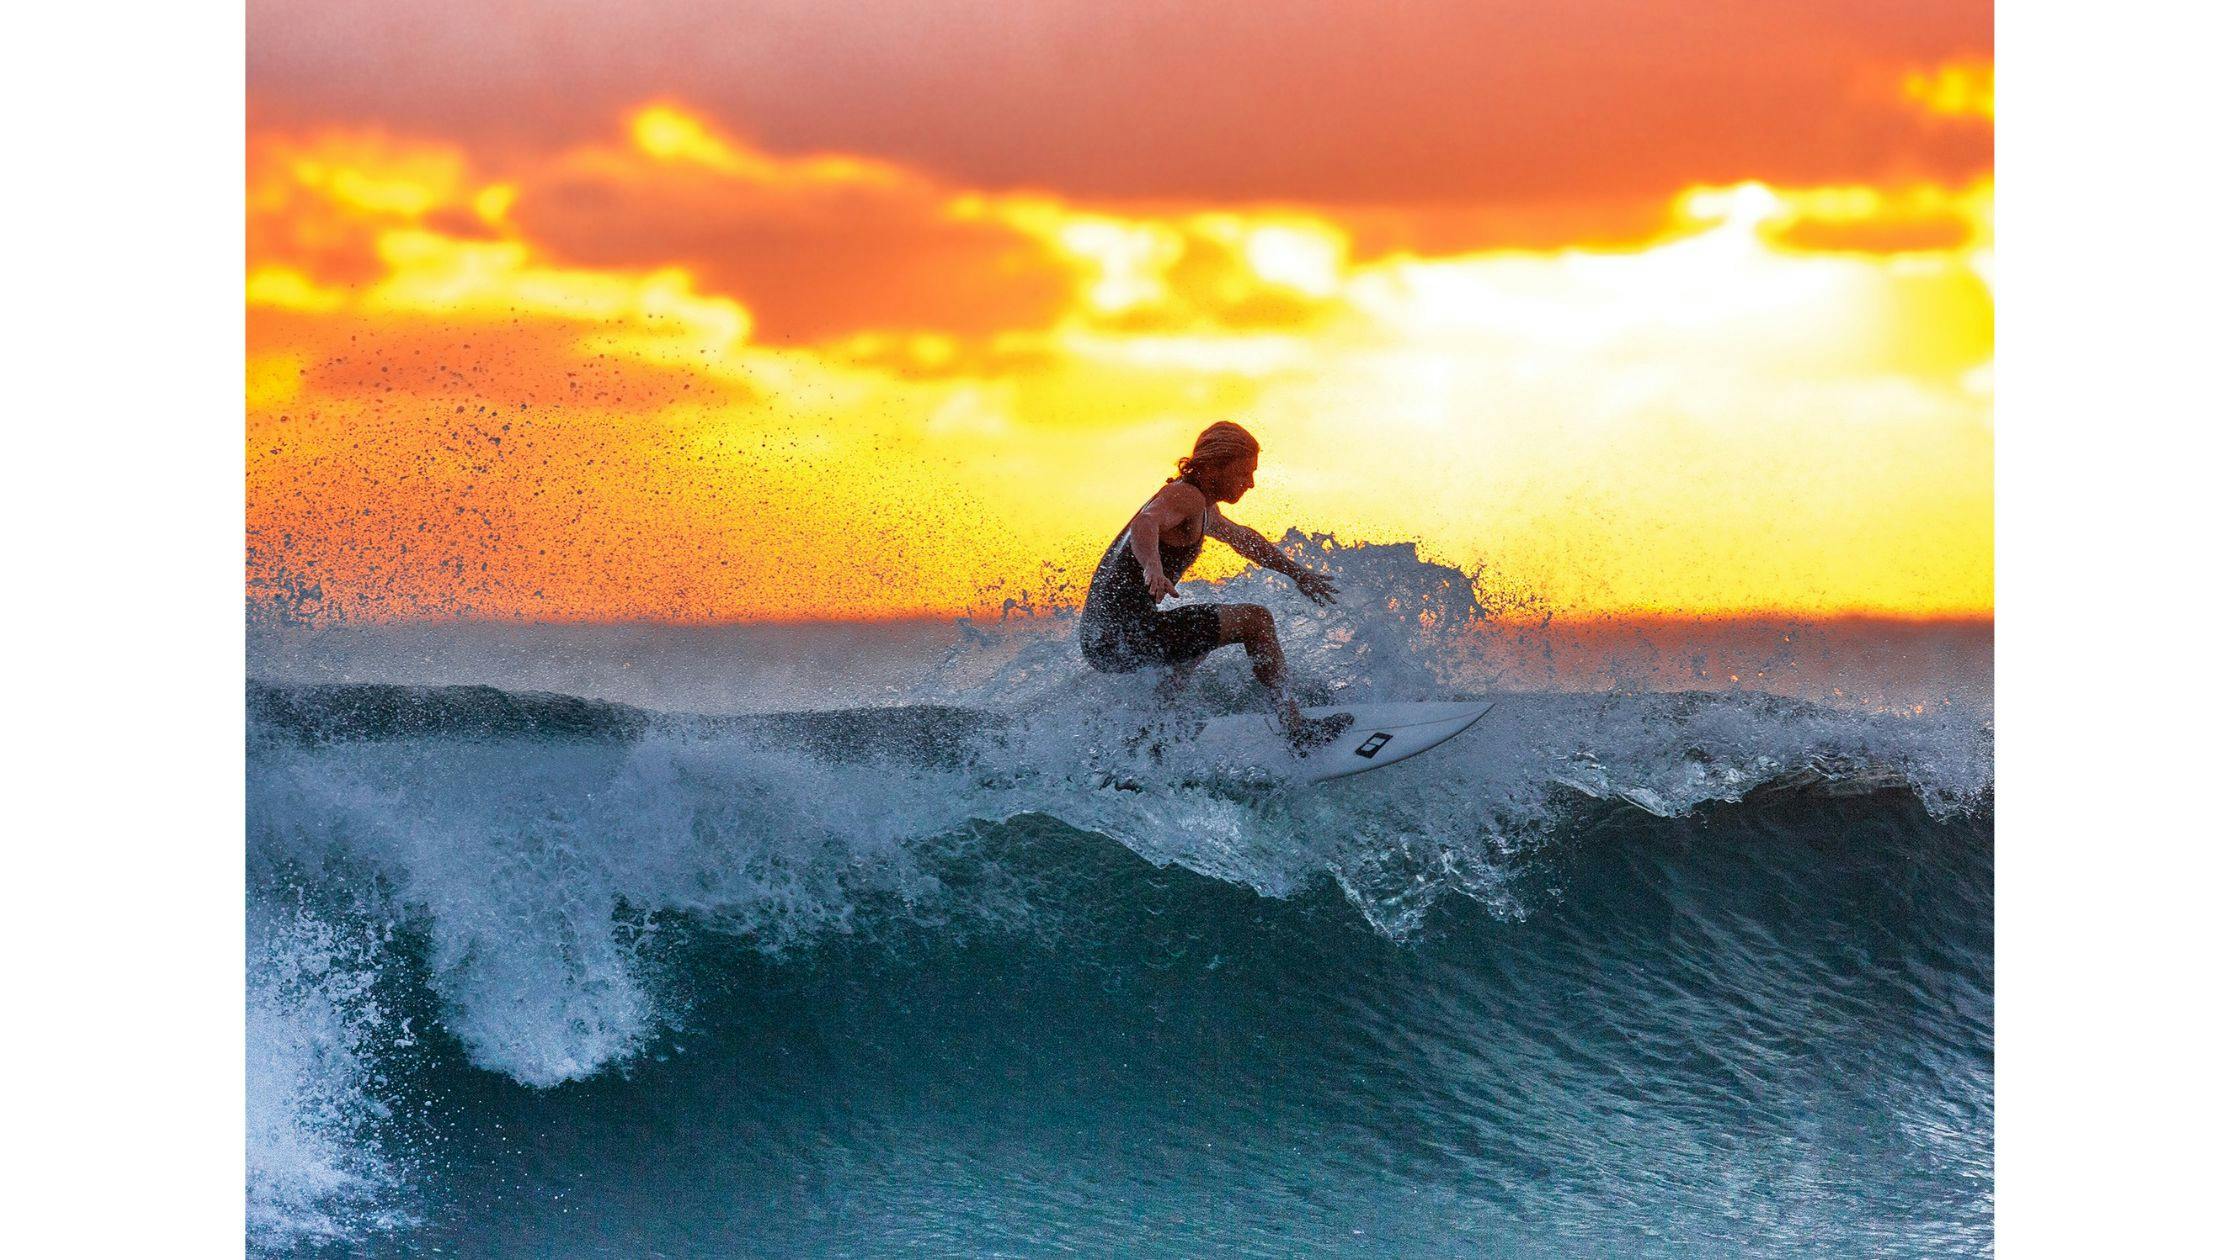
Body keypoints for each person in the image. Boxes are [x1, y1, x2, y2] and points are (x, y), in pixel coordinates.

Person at [1079, 421, 1354, 751]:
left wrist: (1297, 573)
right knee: (1256, 621)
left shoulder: (1203, 505)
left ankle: (1149, 737)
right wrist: (1153, 566)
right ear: (1213, 466)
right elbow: (1146, 521)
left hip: (1104, 639)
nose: (1250, 484)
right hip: (1122, 636)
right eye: (1244, 472)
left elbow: (1244, 540)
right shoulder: (1186, 496)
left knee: (1204, 634)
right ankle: (1296, 730)